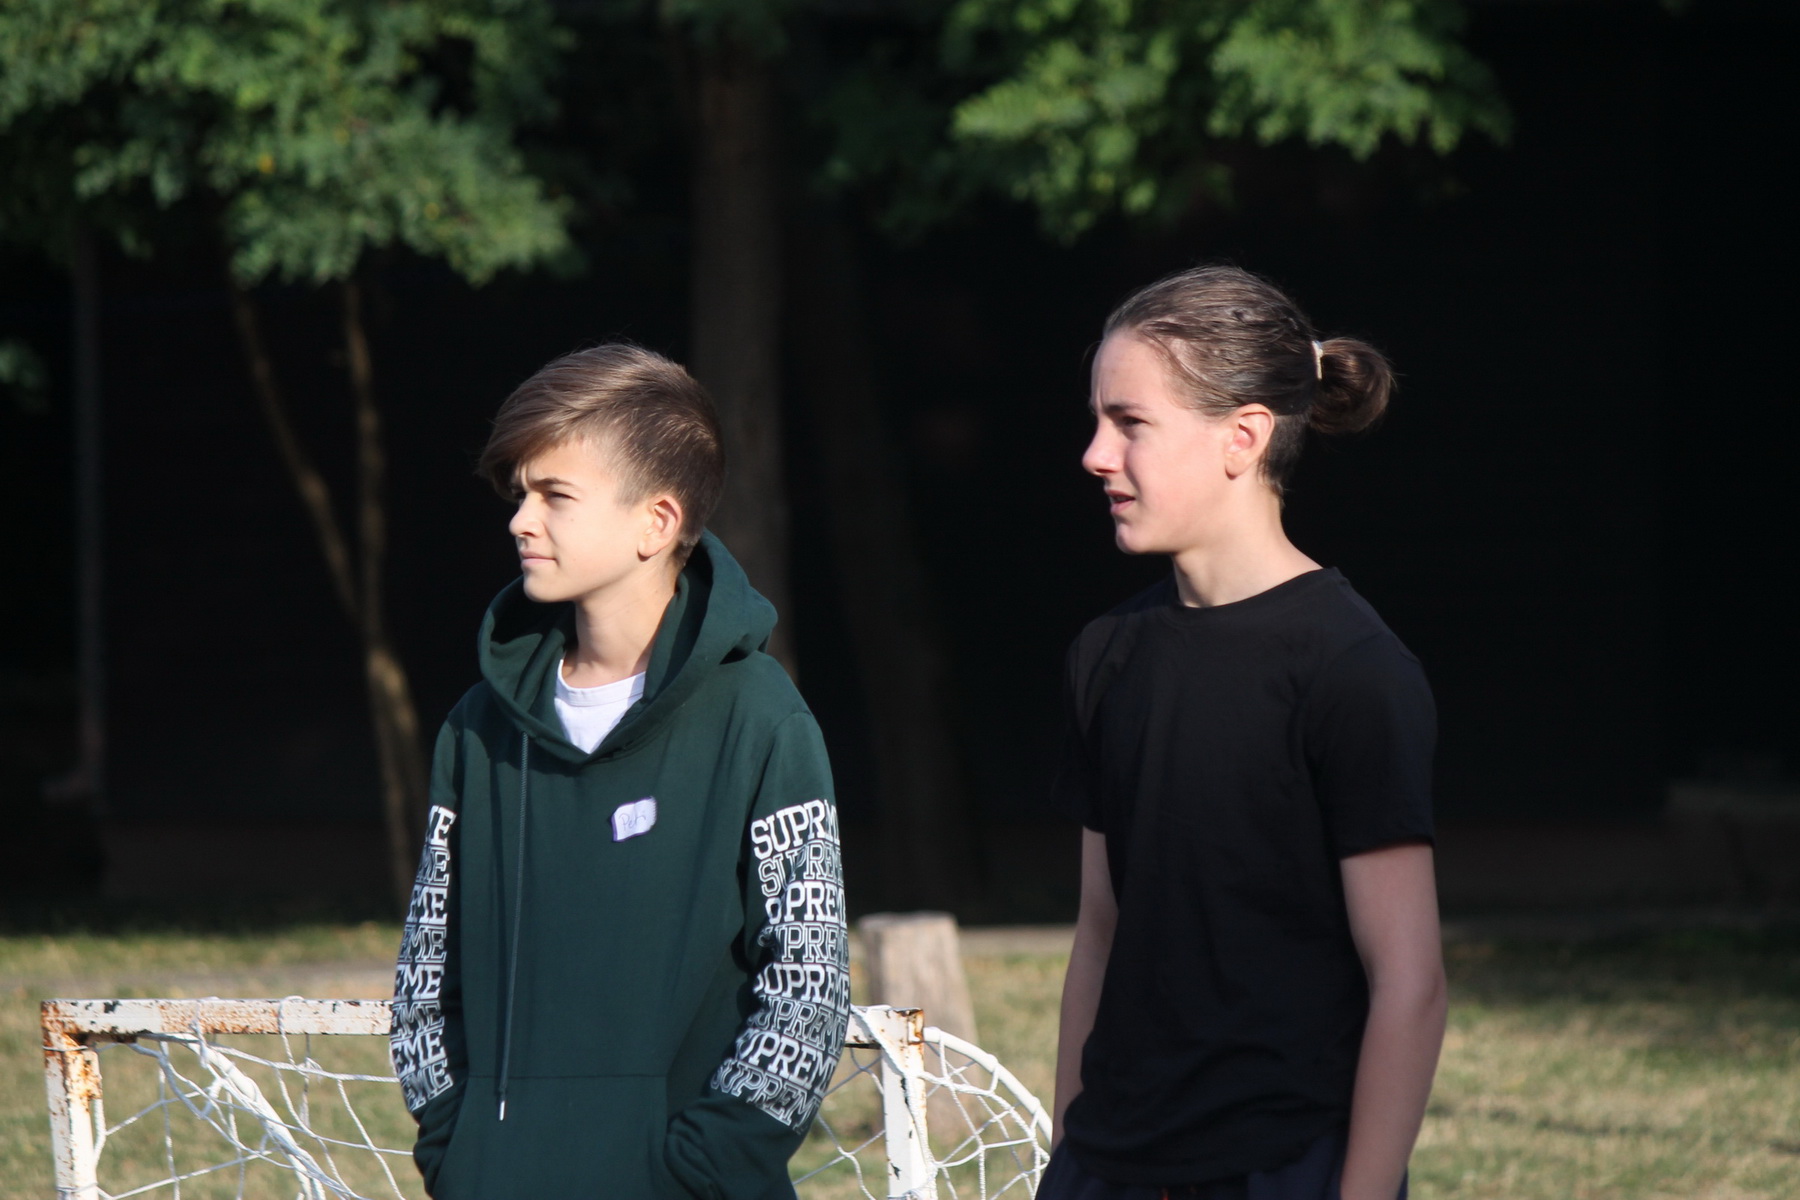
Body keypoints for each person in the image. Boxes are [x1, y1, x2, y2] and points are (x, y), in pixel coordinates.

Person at [388, 344, 850, 1200]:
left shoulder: (761, 718)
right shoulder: (477, 730)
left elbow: (807, 988)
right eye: (519, 493)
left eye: (554, 495)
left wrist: (696, 1171)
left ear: (656, 523)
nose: (521, 521)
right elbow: (425, 981)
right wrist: (461, 1154)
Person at [1045, 266, 1446, 1200]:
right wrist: (1067, 1157)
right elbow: (1099, 934)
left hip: (1282, 1169)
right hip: (1111, 1167)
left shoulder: (1352, 670)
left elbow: (1409, 980)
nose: (1096, 455)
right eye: (1098, 421)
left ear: (1244, 437)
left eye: (1130, 423)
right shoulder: (1104, 656)